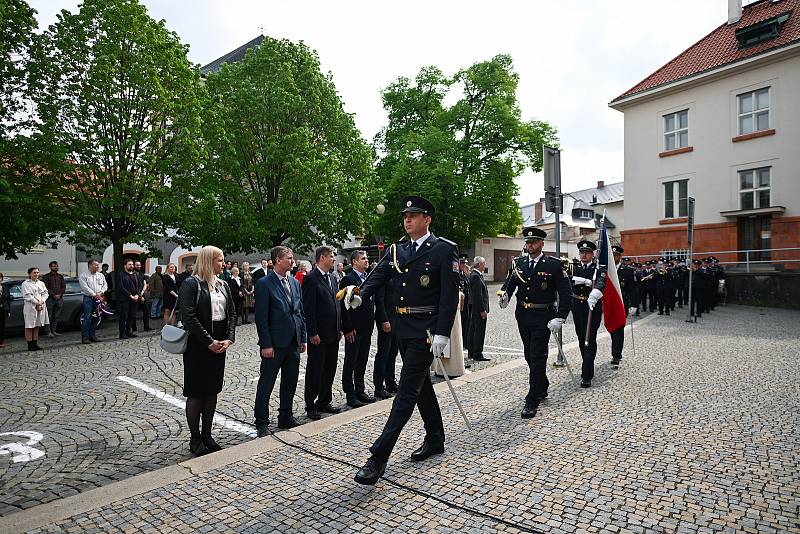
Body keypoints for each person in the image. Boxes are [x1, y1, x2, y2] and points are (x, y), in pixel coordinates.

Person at [345, 195, 458, 486]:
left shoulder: (444, 250)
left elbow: (448, 298)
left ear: (427, 219)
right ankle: (435, 438)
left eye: (414, 215)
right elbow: (376, 277)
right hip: (402, 328)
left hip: (426, 332)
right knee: (420, 388)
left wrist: (443, 333)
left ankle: (378, 458)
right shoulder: (397, 249)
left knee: (406, 393)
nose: (407, 220)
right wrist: (359, 294)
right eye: (405, 216)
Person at [499, 227, 571, 417]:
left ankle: (532, 399)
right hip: (523, 314)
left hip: (544, 316)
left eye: (533, 242)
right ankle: (543, 385)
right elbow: (510, 284)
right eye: (527, 242)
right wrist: (505, 295)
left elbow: (566, 294)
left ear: (541, 244)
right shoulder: (518, 263)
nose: (529, 245)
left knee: (537, 355)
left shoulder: (554, 265)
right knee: (529, 355)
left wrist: (560, 317)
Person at [178, 245, 236, 456]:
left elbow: (232, 313)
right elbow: (189, 317)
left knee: (212, 391)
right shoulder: (190, 284)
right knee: (196, 392)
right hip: (198, 346)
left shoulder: (223, 285)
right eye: (220, 260)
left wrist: (228, 339)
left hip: (219, 345)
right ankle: (195, 439)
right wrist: (209, 341)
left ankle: (207, 435)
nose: (224, 263)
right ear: (209, 261)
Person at [254, 246, 307, 436]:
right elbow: (261, 317)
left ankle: (285, 415)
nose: (292, 262)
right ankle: (261, 422)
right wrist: (266, 344)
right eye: (289, 258)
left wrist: (303, 338)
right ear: (277, 260)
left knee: (290, 381)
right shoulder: (264, 283)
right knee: (267, 383)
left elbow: (300, 312)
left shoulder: (294, 282)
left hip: (293, 341)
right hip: (274, 344)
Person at [340, 250, 386, 408]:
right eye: (363, 259)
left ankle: (360, 390)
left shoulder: (368, 278)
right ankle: (350, 394)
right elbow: (344, 306)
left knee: (362, 361)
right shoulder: (348, 279)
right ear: (354, 262)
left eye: (367, 258)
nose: (367, 261)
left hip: (367, 327)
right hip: (354, 328)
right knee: (350, 362)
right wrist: (347, 328)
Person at [302, 246, 343, 420]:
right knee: (315, 370)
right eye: (332, 256)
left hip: (333, 333)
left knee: (329, 368)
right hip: (318, 335)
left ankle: (325, 401)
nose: (334, 259)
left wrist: (339, 327)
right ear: (322, 258)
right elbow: (309, 308)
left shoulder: (333, 278)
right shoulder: (311, 279)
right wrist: (312, 332)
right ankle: (311, 404)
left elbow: (336, 304)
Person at [570, 239, 607, 388]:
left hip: (592, 306)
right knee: (580, 337)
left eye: (587, 253)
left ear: (593, 254)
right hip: (577, 306)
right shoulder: (573, 267)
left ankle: (587, 374)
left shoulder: (599, 268)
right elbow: (567, 281)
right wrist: (577, 280)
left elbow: (602, 282)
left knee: (589, 338)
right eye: (582, 252)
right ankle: (587, 363)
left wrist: (592, 289)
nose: (584, 255)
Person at [609, 246, 639, 366]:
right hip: (609, 304)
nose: (614, 257)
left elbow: (633, 289)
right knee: (611, 328)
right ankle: (615, 351)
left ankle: (616, 354)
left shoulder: (627, 271)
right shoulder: (606, 269)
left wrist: (634, 304)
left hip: (622, 304)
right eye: (612, 255)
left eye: (616, 255)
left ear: (619, 257)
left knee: (619, 329)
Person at [373, 282, 399, 396]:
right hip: (386, 320)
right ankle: (379, 386)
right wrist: (384, 320)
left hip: (396, 320)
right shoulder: (384, 275)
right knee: (383, 354)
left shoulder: (396, 273)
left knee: (393, 353)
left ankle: (390, 382)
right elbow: (379, 300)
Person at [78, 259, 108, 344]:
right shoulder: (83, 275)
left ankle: (93, 335)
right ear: (90, 265)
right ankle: (85, 337)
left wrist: (101, 292)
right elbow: (85, 287)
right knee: (87, 318)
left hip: (98, 299)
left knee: (97, 317)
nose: (98, 266)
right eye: (96, 265)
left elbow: (105, 285)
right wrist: (95, 295)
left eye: (98, 265)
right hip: (88, 299)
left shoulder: (100, 275)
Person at [22, 267, 49, 351]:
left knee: (37, 325)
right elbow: (27, 296)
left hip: (41, 306)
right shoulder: (25, 283)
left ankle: (35, 343)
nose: (36, 274)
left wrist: (42, 301)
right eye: (34, 272)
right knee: (29, 325)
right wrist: (37, 303)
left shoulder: (41, 283)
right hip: (30, 306)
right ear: (29, 274)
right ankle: (30, 345)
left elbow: (45, 293)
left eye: (37, 272)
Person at [468, 256, 490, 362]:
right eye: (484, 263)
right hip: (478, 309)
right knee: (479, 332)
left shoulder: (476, 275)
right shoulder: (476, 276)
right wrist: (482, 310)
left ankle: (472, 352)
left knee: (473, 330)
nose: (485, 265)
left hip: (475, 308)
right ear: (479, 264)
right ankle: (477, 353)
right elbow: (478, 295)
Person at [117, 259, 142, 339]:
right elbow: (121, 287)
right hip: (125, 299)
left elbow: (139, 286)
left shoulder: (135, 274)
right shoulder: (121, 275)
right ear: (125, 266)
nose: (131, 266)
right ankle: (122, 333)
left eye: (132, 264)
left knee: (132, 316)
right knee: (123, 316)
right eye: (129, 264)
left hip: (135, 299)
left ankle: (128, 331)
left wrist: (137, 295)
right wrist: (130, 295)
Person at [41, 261, 66, 337]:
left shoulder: (60, 276)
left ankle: (54, 330)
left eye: (57, 266)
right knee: (49, 315)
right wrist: (53, 295)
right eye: (54, 266)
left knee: (56, 315)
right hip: (50, 299)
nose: (56, 267)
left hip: (59, 299)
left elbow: (63, 287)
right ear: (50, 267)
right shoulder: (46, 277)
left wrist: (60, 294)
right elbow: (45, 288)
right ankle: (48, 332)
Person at [133, 260, 151, 331]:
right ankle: (134, 328)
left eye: (139, 265)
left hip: (142, 295)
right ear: (134, 266)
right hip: (134, 295)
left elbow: (144, 284)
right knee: (133, 312)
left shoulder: (142, 274)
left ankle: (146, 327)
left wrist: (142, 292)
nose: (139, 266)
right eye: (137, 265)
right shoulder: (132, 274)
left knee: (146, 311)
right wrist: (138, 295)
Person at [0, 272, 10, 348]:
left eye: (0, 278)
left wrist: (8, 310)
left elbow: (8, 299)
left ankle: (1, 342)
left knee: (2, 326)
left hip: (3, 309)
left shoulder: (5, 287)